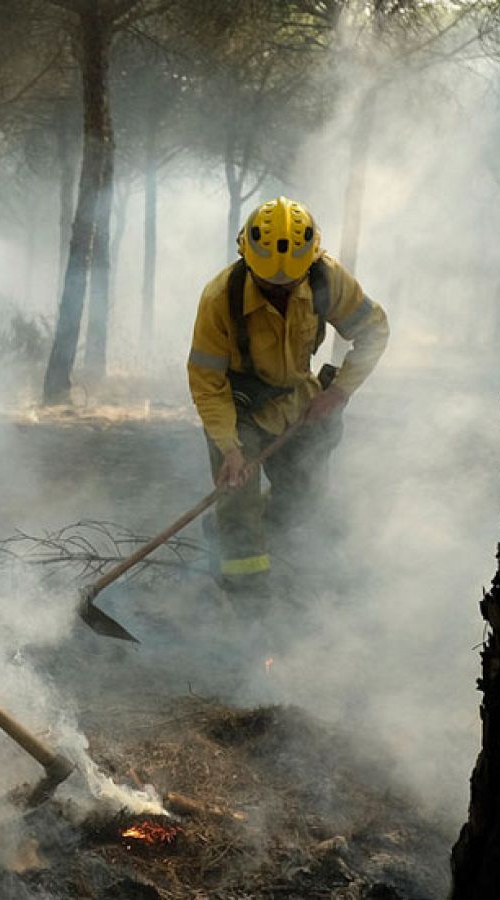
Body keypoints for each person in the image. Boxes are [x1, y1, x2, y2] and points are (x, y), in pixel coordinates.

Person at [187, 197, 390, 599]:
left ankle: (227, 535)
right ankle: (249, 604)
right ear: (246, 257)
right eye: (268, 284)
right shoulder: (219, 299)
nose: (279, 290)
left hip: (299, 402)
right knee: (239, 511)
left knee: (304, 497)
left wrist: (339, 391)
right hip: (238, 412)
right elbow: (207, 381)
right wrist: (229, 448)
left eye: (288, 284)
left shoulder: (325, 279)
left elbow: (373, 330)